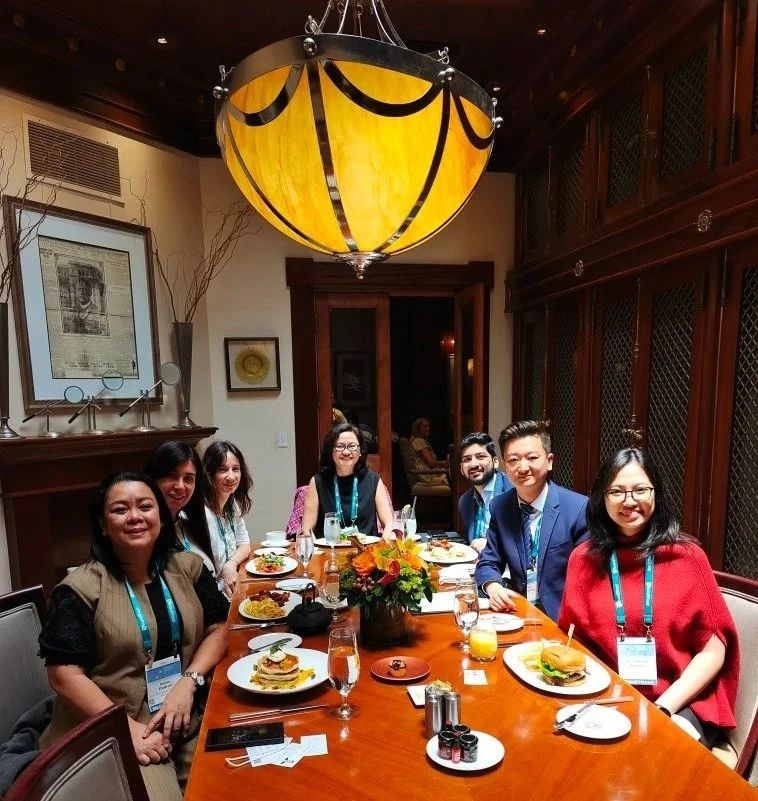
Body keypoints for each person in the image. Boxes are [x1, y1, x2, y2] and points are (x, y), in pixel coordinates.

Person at [38, 472, 229, 801]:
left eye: (145, 506)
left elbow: (220, 628)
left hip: (182, 711)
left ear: (161, 516)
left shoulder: (187, 567)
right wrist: (125, 729)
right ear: (103, 524)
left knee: (231, 782)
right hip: (114, 728)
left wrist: (189, 682)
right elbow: (63, 675)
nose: (135, 516)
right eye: (120, 509)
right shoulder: (81, 589)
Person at [559, 448, 739, 747]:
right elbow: (573, 641)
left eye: (640, 489)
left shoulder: (687, 556)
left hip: (682, 699)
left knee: (655, 756)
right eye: (617, 491)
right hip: (608, 697)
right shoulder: (583, 559)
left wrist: (663, 708)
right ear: (602, 498)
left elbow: (713, 649)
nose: (629, 501)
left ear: (656, 493)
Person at [474, 420, 589, 621]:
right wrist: (492, 586)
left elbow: (587, 580)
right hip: (516, 613)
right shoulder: (500, 507)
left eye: (532, 458)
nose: (522, 467)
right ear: (505, 465)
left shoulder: (578, 508)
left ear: (549, 461)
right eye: (513, 460)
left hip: (562, 620)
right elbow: (488, 562)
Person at [302, 422, 394, 538]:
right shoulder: (318, 482)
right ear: (331, 451)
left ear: (360, 451)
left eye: (352, 446)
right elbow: (307, 528)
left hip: (366, 548)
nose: (346, 452)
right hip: (329, 548)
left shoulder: (374, 480)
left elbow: (389, 523)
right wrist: (313, 546)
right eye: (340, 446)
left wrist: (386, 539)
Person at [144, 441, 215, 576]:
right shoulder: (144, 534)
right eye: (171, 475)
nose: (180, 486)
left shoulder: (188, 523)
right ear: (153, 478)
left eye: (188, 478)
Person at [202, 441, 253, 600]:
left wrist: (231, 564)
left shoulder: (232, 503)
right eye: (222, 469)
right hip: (213, 596)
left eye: (235, 469)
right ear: (209, 473)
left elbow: (244, 544)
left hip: (232, 585)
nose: (231, 476)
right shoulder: (203, 513)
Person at [457, 432, 512, 552]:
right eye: (467, 459)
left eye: (480, 457)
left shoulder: (513, 490)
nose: (473, 464)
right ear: (461, 469)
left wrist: (491, 545)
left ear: (495, 462)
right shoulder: (464, 502)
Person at [409, 417, 449, 486]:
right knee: (453, 478)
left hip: (428, 473)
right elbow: (430, 463)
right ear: (418, 429)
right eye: (425, 426)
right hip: (426, 476)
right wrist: (443, 462)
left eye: (428, 426)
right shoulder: (418, 441)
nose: (428, 428)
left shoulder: (419, 441)